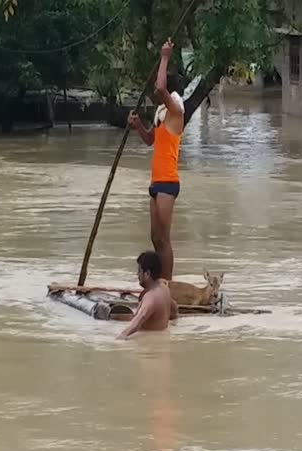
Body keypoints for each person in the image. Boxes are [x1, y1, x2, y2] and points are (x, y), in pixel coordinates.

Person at [128, 38, 185, 281]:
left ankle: (167, 284)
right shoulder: (162, 116)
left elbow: (161, 87)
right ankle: (159, 281)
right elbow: (151, 140)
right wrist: (138, 125)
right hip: (155, 182)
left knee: (164, 237)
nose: (156, 91)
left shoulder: (176, 113)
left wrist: (164, 56)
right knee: (155, 237)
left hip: (168, 183)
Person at [117, 251, 178, 340]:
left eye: (139, 271)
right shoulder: (165, 289)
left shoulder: (151, 297)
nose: (137, 275)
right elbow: (175, 309)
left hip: (148, 343)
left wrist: (121, 337)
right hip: (161, 340)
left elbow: (139, 319)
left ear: (147, 274)